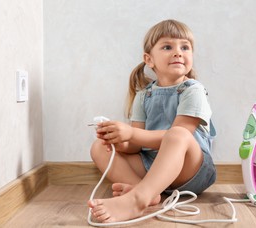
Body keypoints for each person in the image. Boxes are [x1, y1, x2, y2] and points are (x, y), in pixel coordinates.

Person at [88, 19, 216, 223]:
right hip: (151, 166)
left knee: (177, 134)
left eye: (185, 47)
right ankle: (147, 191)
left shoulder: (193, 90)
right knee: (98, 148)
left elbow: (179, 135)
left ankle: (138, 198)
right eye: (167, 47)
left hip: (190, 170)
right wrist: (120, 140)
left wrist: (131, 133)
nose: (178, 52)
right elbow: (135, 146)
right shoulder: (143, 96)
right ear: (149, 60)